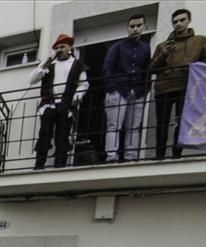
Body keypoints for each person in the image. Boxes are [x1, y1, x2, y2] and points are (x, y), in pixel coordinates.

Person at [150, 8, 206, 160]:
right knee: (162, 123)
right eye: (175, 21)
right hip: (163, 87)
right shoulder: (164, 45)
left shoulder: (199, 40)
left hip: (186, 86)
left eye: (182, 20)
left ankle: (176, 154)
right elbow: (152, 68)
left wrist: (194, 67)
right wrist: (164, 54)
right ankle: (159, 155)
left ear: (188, 20)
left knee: (181, 121)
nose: (178, 24)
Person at [30, 34, 89, 169]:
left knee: (62, 135)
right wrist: (42, 66)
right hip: (49, 104)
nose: (59, 50)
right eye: (57, 47)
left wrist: (77, 96)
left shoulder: (77, 65)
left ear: (70, 48)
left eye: (62, 47)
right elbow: (31, 80)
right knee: (44, 134)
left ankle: (60, 165)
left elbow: (84, 84)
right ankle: (39, 165)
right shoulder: (49, 65)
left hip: (66, 105)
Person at [102, 14, 151, 163]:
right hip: (118, 90)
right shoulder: (117, 46)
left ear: (143, 27)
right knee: (114, 125)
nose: (135, 29)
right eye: (132, 26)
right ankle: (111, 156)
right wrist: (111, 88)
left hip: (138, 92)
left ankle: (131, 157)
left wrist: (146, 88)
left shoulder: (146, 48)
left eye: (138, 26)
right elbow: (107, 68)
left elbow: (147, 69)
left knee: (134, 126)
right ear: (128, 28)